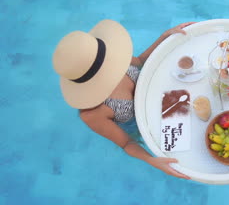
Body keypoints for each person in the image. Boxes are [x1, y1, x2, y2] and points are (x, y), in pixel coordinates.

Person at [52, 19, 195, 179]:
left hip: (168, 101)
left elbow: (140, 62)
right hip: (143, 127)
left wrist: (164, 36)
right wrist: (151, 160)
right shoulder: (92, 114)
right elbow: (127, 143)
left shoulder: (113, 57)